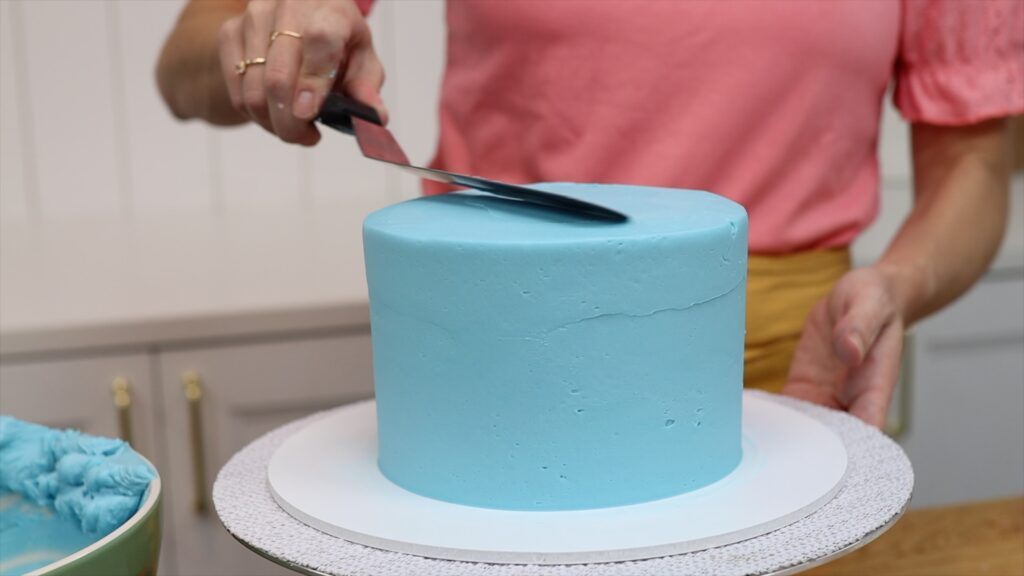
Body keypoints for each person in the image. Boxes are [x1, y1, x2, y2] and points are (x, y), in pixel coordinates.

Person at [157, 0, 1022, 428]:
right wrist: (265, 37)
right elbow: (186, 59)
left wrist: (897, 287)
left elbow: (978, 160)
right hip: (499, 362)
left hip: (794, 375)